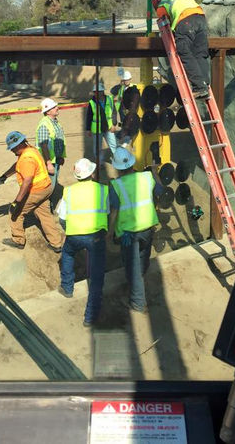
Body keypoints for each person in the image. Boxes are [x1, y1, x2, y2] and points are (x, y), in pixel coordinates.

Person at [108, 146, 163, 313]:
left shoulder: (116, 185)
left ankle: (138, 303)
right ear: (132, 164)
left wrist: (110, 232)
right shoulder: (147, 177)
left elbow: (115, 210)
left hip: (128, 233)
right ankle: (139, 281)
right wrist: (154, 172)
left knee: (131, 266)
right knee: (142, 257)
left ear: (117, 168)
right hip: (148, 227)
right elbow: (160, 190)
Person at [57, 158, 109, 327]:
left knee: (67, 253)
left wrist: (71, 230)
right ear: (92, 173)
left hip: (74, 235)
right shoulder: (103, 190)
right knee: (96, 276)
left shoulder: (68, 191)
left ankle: (67, 287)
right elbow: (107, 212)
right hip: (96, 236)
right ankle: (90, 316)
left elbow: (62, 218)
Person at [0, 130, 64, 252]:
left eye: (13, 148)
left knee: (15, 213)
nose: (12, 151)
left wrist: (17, 202)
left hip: (36, 190)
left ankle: (18, 240)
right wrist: (5, 175)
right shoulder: (31, 150)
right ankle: (56, 243)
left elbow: (27, 182)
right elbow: (17, 165)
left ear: (19, 145)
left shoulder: (27, 159)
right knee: (44, 214)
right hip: (46, 187)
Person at [152, 0, 210, 99]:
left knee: (184, 51)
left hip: (186, 20)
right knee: (200, 54)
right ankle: (205, 84)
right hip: (201, 18)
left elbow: (165, 24)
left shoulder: (161, 6)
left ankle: (199, 87)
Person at [35, 98, 66, 189]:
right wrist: (48, 164)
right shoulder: (44, 125)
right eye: (54, 107)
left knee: (53, 184)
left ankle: (51, 202)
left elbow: (58, 140)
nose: (57, 108)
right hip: (49, 162)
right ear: (48, 111)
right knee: (49, 187)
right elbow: (43, 145)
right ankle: (48, 203)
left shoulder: (55, 122)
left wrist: (60, 156)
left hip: (55, 159)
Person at [85, 81, 117, 161]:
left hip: (109, 127)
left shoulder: (110, 99)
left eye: (98, 92)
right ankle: (100, 162)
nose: (96, 94)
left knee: (113, 145)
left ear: (102, 92)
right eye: (95, 92)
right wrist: (88, 129)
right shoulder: (92, 103)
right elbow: (89, 116)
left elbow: (114, 112)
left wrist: (113, 124)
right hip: (97, 130)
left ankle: (118, 160)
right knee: (97, 148)